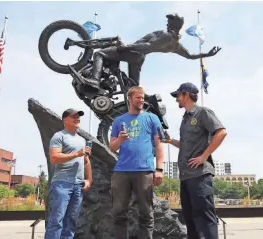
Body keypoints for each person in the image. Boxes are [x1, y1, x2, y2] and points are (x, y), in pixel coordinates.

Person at [83, 14, 221, 89]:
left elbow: (147, 45)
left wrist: (126, 47)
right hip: (139, 58)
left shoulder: (165, 35)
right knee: (133, 87)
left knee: (99, 54)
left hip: (134, 52)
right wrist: (208, 54)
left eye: (169, 22)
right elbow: (190, 56)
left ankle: (95, 80)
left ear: (173, 25)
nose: (167, 24)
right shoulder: (176, 45)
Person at [162, 82, 227, 239]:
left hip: (200, 175)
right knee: (190, 219)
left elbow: (221, 132)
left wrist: (204, 156)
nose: (176, 99)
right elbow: (185, 145)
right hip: (185, 176)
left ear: (186, 95)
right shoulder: (185, 119)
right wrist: (170, 141)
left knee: (205, 218)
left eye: (178, 96)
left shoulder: (202, 112)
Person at [109, 86, 164, 239]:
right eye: (138, 97)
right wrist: (119, 140)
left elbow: (159, 144)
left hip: (144, 170)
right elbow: (112, 147)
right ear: (129, 99)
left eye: (142, 97)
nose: (141, 100)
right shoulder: (118, 121)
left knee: (146, 212)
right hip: (121, 171)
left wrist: (159, 169)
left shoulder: (152, 118)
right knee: (119, 212)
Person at [45, 108, 93, 239]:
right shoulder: (59, 136)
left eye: (78, 116)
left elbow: (86, 161)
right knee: (56, 221)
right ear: (65, 120)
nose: (77, 118)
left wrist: (89, 180)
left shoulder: (82, 140)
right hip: (62, 184)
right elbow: (54, 158)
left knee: (71, 221)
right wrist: (76, 153)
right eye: (74, 116)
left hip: (78, 185)